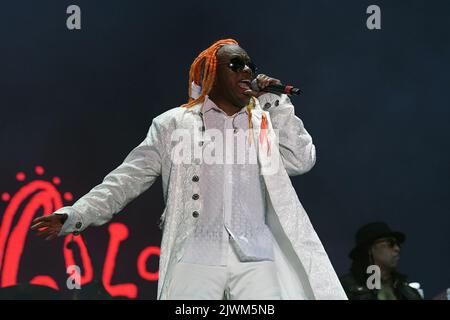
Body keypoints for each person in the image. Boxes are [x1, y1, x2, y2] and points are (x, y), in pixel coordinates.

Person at [31, 39, 347, 300]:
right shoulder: (173, 125)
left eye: (249, 64)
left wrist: (277, 104)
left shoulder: (261, 120)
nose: (247, 70)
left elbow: (301, 159)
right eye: (236, 64)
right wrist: (76, 214)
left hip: (256, 254)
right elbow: (126, 180)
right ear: (211, 73)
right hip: (196, 253)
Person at [340, 221, 423, 300]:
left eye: (398, 244)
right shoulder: (344, 288)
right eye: (390, 243)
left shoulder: (408, 291)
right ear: (370, 249)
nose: (397, 248)